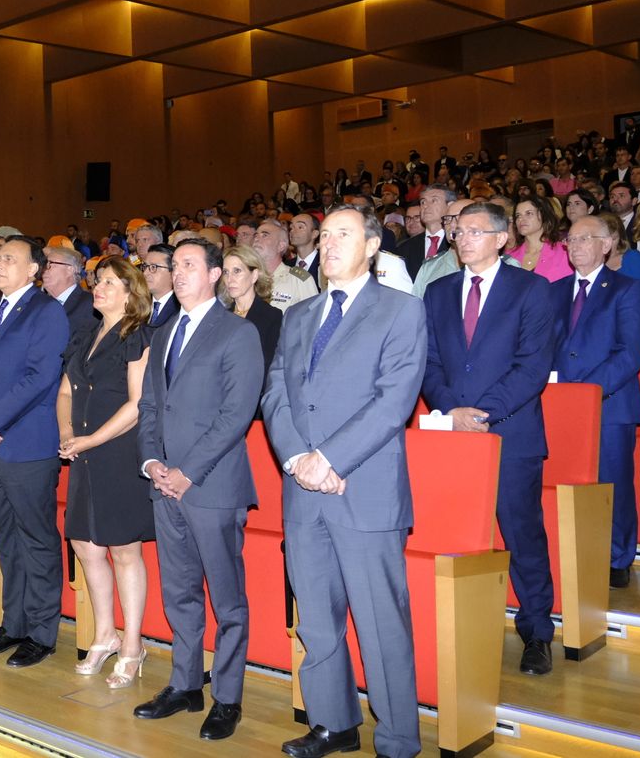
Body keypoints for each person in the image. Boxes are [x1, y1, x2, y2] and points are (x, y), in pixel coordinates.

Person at [262, 205, 427, 758]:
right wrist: (295, 460)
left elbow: (393, 403)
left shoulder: (401, 311)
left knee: (381, 624)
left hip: (364, 491)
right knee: (317, 620)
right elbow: (276, 394)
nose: (329, 244)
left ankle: (399, 739)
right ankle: (333, 723)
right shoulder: (299, 314)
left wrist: (329, 460)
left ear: (374, 245)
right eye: (324, 235)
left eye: (344, 234)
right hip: (303, 492)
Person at [132, 238, 262, 742]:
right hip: (164, 485)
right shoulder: (162, 335)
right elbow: (149, 408)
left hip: (211, 486)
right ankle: (185, 684)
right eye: (173, 265)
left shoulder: (237, 332)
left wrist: (187, 470)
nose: (178, 272)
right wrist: (151, 463)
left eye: (189, 265)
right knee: (179, 593)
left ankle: (227, 697)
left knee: (227, 601)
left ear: (213, 275)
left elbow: (237, 414)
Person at [422, 202, 558, 676]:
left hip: (510, 433)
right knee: (456, 537)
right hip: (452, 436)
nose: (463, 239)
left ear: (502, 239)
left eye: (475, 231)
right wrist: (448, 409)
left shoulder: (532, 289)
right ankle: (455, 631)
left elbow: (533, 367)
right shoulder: (437, 292)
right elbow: (430, 361)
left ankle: (537, 631)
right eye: (458, 231)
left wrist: (483, 413)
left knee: (522, 536)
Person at [0, 234, 71, 667]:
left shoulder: (47, 313)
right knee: (5, 538)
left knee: (37, 538)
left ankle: (42, 633)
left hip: (25, 443)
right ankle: (13, 625)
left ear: (34, 270)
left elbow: (41, 376)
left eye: (10, 259)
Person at [52, 256, 155, 686]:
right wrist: (67, 431)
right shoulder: (84, 335)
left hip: (118, 453)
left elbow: (137, 405)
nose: (100, 288)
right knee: (85, 545)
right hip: (84, 451)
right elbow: (63, 391)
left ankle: (133, 644)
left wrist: (90, 440)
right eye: (99, 281)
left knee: (124, 549)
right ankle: (105, 634)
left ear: (131, 293)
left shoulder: (139, 336)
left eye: (111, 282)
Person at [552, 216, 640, 588]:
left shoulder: (628, 289)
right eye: (570, 240)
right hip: (559, 403)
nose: (574, 246)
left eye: (584, 239)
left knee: (614, 484)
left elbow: (630, 354)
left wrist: (585, 394)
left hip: (610, 404)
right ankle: (573, 551)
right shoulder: (554, 290)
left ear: (607, 244)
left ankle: (618, 556)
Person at [220, 244, 282, 366]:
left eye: (237, 271)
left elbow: (271, 365)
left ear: (254, 275)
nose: (229, 279)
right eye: (225, 272)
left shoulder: (272, 316)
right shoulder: (221, 316)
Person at [395, 184, 454, 279]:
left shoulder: (457, 245)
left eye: (434, 200)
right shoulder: (405, 248)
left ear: (450, 206)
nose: (425, 206)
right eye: (423, 202)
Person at [254, 220, 317, 311]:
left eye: (265, 235)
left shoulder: (298, 279)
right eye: (256, 235)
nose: (256, 239)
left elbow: (311, 317)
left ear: (281, 246)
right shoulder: (245, 277)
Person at [508, 196, 571, 282]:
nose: (521, 219)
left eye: (528, 213)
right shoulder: (509, 256)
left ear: (544, 216)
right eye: (518, 215)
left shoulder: (565, 253)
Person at [42, 244, 97, 339]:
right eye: (44, 265)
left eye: (50, 264)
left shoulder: (89, 305)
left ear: (70, 269)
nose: (44, 269)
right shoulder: (40, 302)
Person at [141, 243, 178, 326]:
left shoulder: (180, 309)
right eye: (145, 266)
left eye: (153, 267)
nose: (145, 273)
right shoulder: (138, 304)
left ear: (173, 272)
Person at [288, 213, 321, 285]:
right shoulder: (286, 266)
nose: (292, 231)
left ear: (314, 234)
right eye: (291, 228)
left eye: (300, 227)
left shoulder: (325, 264)